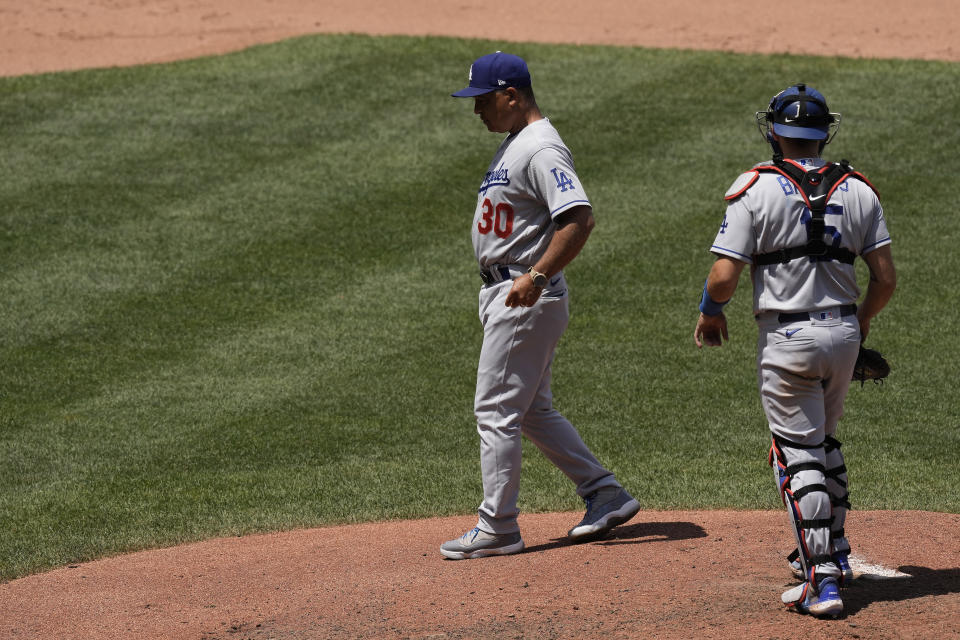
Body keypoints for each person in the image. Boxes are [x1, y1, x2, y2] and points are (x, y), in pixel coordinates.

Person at [693, 84, 896, 616]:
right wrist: (864, 320)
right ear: (825, 132)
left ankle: (820, 579)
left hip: (787, 339)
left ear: (775, 131)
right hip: (845, 334)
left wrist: (711, 312)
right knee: (825, 442)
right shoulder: (860, 190)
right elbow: (885, 278)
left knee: (795, 451)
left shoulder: (755, 187)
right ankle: (840, 553)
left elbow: (723, 275)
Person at [441, 51, 640, 560]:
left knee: (496, 410)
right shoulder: (518, 144)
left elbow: (579, 219)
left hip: (524, 292)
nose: (478, 110)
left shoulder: (540, 149)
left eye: (484, 101)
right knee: (529, 410)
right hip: (511, 290)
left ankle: (499, 526)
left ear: (513, 95)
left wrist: (536, 274)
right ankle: (604, 493)